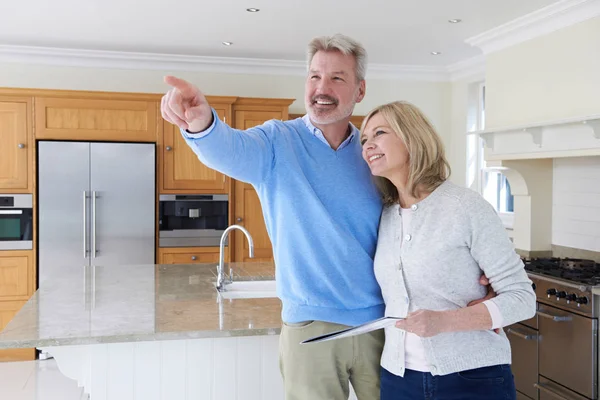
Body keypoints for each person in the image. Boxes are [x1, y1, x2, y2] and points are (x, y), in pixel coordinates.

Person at [160, 33, 493, 400]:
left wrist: (472, 275)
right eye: (315, 76)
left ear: (360, 90)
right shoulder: (275, 143)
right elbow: (227, 149)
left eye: (337, 78)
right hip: (310, 326)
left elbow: (420, 217)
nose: (322, 87)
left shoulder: (375, 154)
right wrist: (201, 123)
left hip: (385, 323)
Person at [359, 100, 536, 400]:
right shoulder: (385, 216)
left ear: (411, 136)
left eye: (379, 133)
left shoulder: (466, 207)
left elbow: (522, 299)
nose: (368, 145)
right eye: (364, 140)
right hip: (398, 380)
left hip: (473, 377)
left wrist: (445, 322)